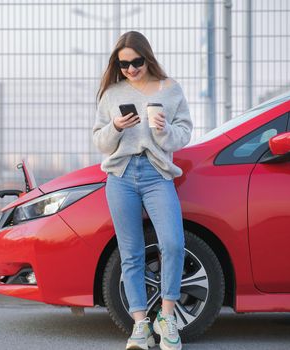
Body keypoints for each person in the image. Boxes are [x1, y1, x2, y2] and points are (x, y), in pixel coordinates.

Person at [92, 31, 193, 350]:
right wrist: (116, 128)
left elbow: (185, 134)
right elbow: (100, 141)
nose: (131, 69)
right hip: (121, 175)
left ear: (147, 57)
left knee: (173, 244)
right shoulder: (111, 93)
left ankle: (167, 318)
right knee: (131, 253)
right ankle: (140, 325)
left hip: (156, 174)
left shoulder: (170, 89)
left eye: (136, 62)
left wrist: (163, 131)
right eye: (124, 64)